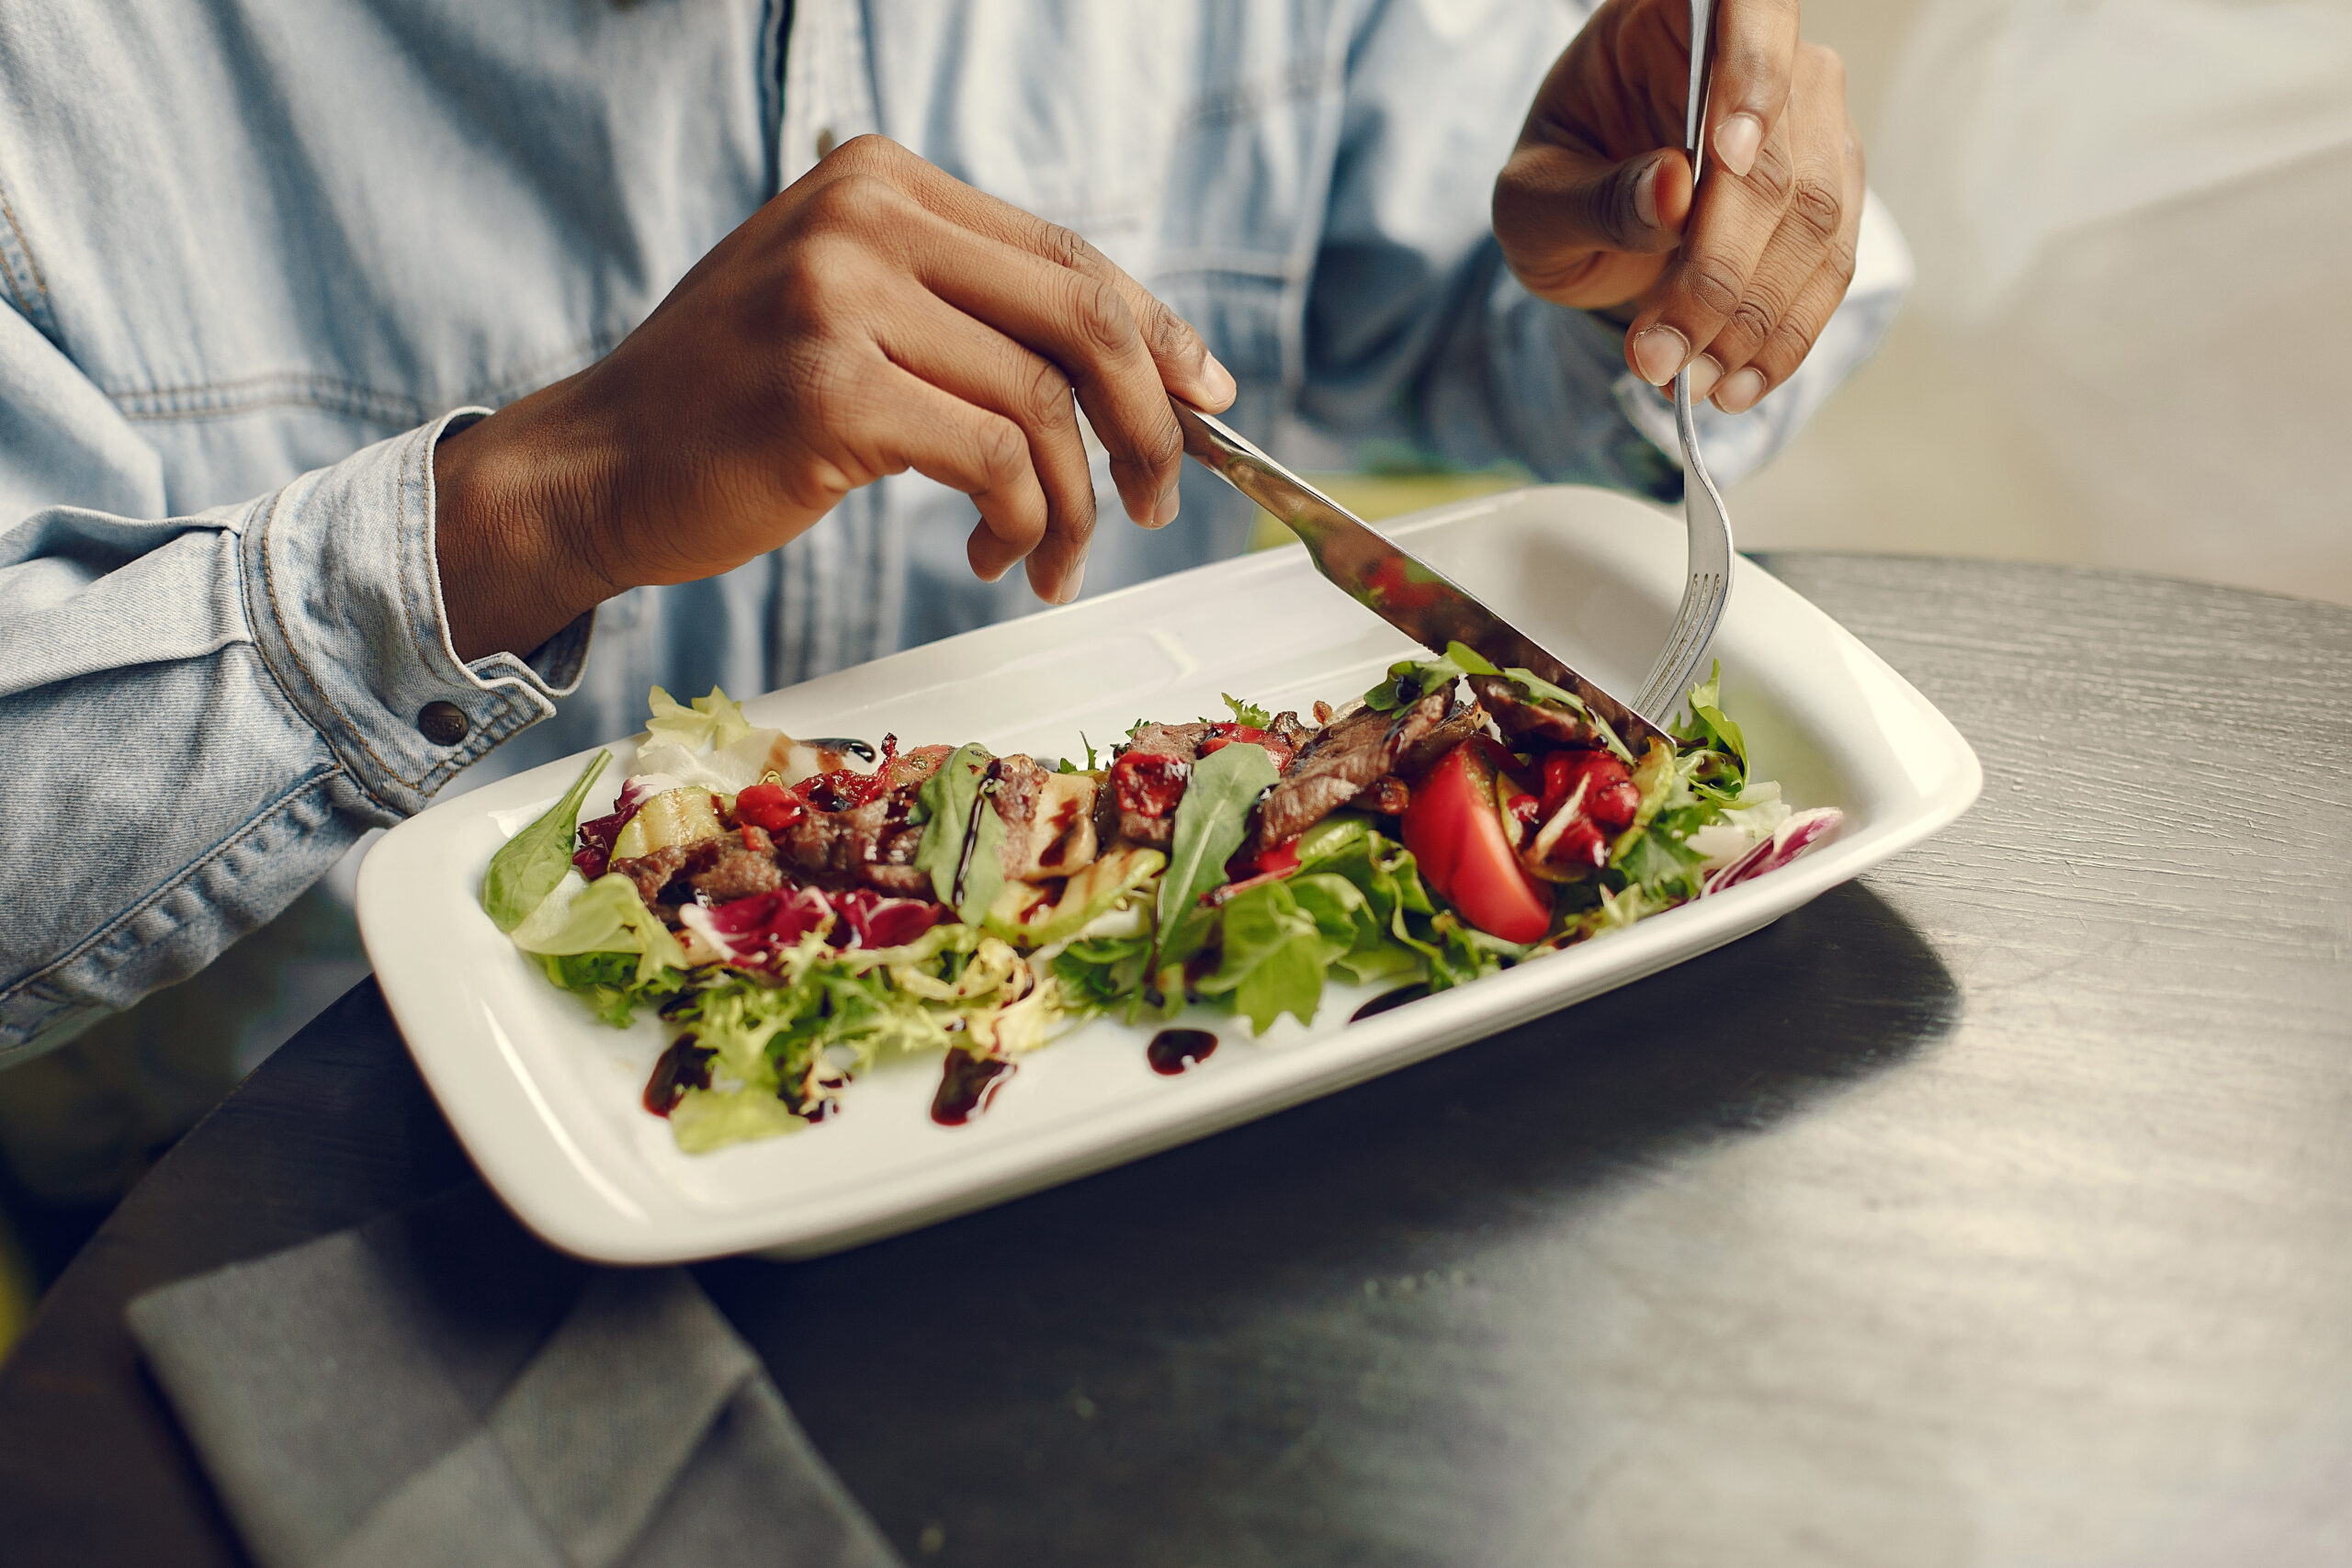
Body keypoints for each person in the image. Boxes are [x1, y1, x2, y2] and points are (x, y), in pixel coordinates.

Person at [0, 0, 1903, 1072]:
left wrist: (1653, 261)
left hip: (1135, 1111)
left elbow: (1514, 316)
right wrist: (518, 515)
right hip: (308, 1241)